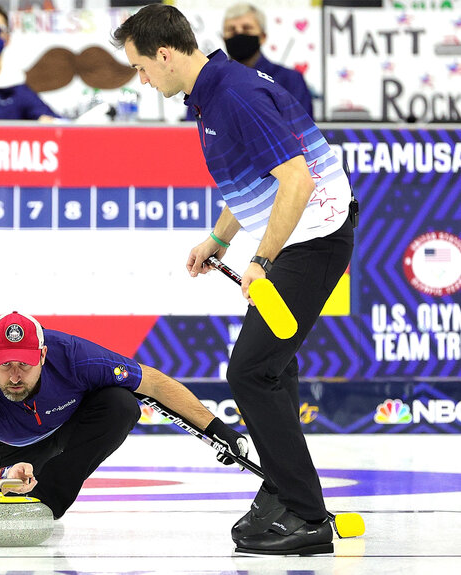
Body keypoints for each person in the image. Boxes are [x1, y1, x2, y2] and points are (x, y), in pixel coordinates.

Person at [113, 4, 355, 556]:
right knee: (272, 368)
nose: (142, 79)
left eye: (142, 68)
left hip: (313, 238)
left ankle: (308, 515)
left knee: (251, 372)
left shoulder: (233, 95)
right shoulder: (211, 90)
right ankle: (281, 492)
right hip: (299, 235)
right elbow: (249, 178)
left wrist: (262, 261)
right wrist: (221, 239)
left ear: (166, 55)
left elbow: (295, 178)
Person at [0, 311, 248, 520]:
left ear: (43, 355)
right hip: (10, 455)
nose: (14, 376)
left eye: (24, 364)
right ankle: (25, 487)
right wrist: (4, 477)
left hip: (67, 427)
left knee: (121, 402)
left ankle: (48, 499)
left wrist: (218, 429)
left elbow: (154, 382)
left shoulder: (75, 357)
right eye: (5, 364)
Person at [184, 3, 313, 121]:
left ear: (262, 37)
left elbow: (304, 132)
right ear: (224, 38)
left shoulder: (290, 81)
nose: (239, 33)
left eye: (247, 28)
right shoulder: (206, 84)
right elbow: (192, 132)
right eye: (232, 30)